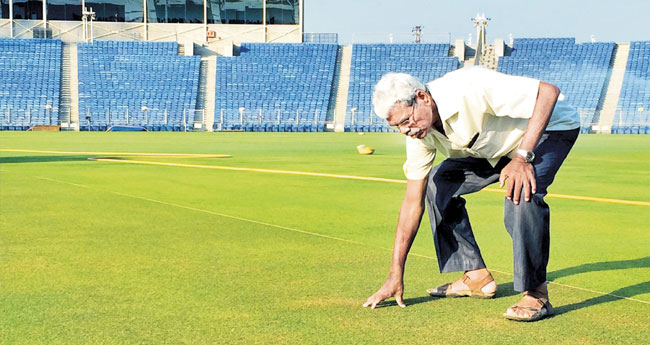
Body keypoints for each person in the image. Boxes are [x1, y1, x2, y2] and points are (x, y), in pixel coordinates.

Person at [362, 66, 580, 322]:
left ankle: (536, 293)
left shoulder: (469, 87)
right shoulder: (419, 134)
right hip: (496, 149)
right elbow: (412, 202)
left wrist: (522, 158)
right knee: (437, 184)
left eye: (406, 121)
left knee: (521, 190)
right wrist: (395, 274)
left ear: (422, 97)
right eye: (396, 126)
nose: (405, 131)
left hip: (548, 129)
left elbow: (547, 92)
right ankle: (476, 276)